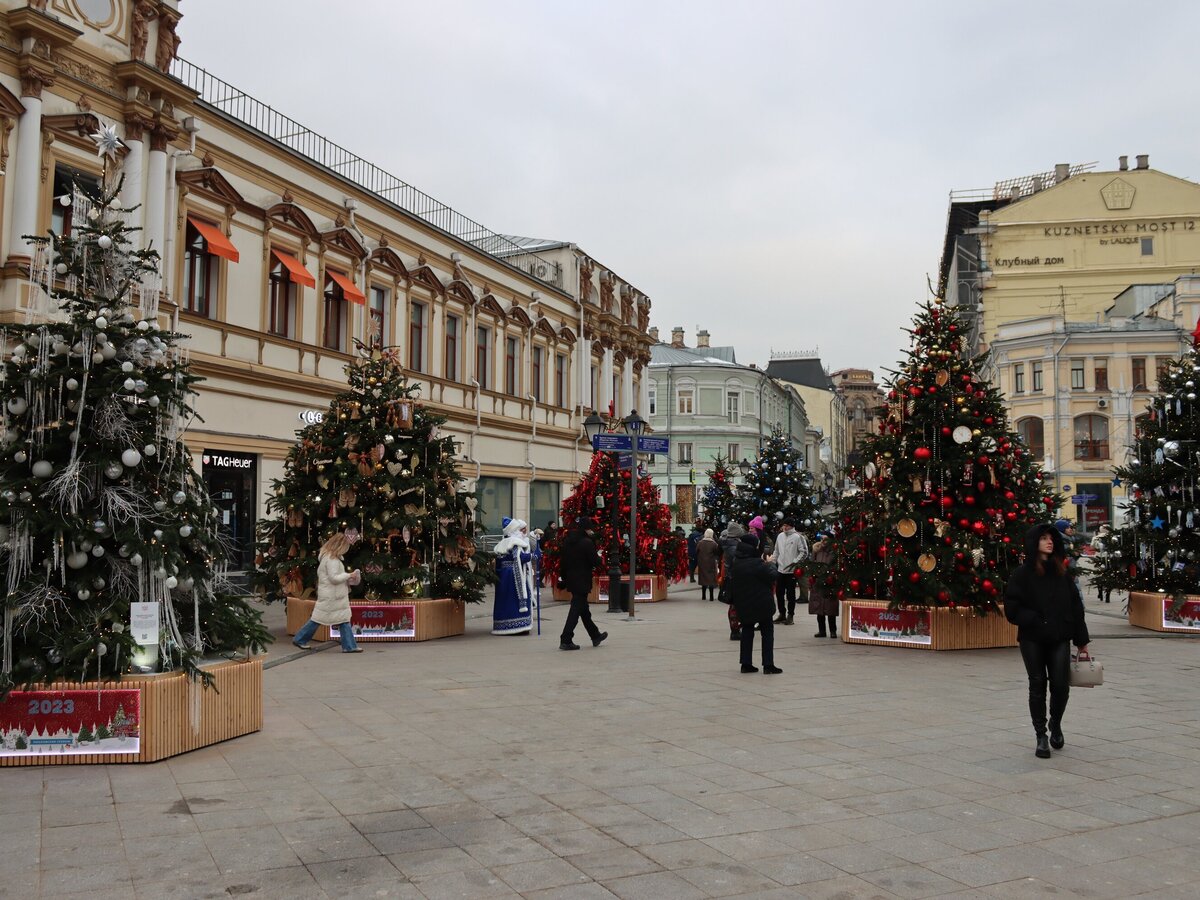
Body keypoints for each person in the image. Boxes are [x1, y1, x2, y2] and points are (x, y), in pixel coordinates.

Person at [1005, 523, 1090, 759]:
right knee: (1037, 684)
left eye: (1051, 538)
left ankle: (1056, 722)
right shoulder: (1021, 574)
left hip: (1059, 636)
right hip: (1032, 637)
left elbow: (1076, 607)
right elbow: (1012, 608)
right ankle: (1040, 735)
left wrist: (1081, 639)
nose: (1049, 542)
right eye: (1043, 538)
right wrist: (1033, 619)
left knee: (1061, 685)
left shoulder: (1062, 574)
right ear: (1035, 543)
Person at [293, 532, 363, 652]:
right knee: (329, 619)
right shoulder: (332, 560)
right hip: (333, 596)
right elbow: (334, 578)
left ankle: (349, 646)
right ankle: (349, 646)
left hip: (331, 595)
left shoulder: (328, 557)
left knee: (331, 619)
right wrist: (348, 575)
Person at [732, 534, 781, 674]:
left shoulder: (737, 561)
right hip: (762, 603)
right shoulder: (757, 563)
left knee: (747, 631)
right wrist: (770, 563)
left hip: (744, 602)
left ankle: (746, 663)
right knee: (767, 632)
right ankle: (768, 664)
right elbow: (773, 576)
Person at [559, 518, 607, 650]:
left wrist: (563, 577)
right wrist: (598, 555)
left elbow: (563, 561)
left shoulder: (568, 541)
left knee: (583, 610)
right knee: (575, 610)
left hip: (571, 578)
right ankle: (566, 638)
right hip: (582, 579)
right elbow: (595, 562)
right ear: (587, 529)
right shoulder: (587, 543)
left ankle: (595, 635)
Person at [492, 518, 535, 635]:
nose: (523, 532)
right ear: (514, 531)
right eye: (520, 530)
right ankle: (520, 625)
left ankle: (503, 624)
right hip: (514, 576)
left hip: (503, 576)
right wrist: (533, 556)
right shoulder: (515, 542)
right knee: (515, 600)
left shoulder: (503, 542)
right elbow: (520, 557)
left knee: (505, 599)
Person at [771, 518, 809, 625]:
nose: (785, 527)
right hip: (780, 569)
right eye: (784, 525)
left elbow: (804, 552)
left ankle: (790, 615)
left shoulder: (798, 537)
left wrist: (795, 562)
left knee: (790, 594)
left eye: (787, 525)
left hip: (791, 571)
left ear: (792, 526)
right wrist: (773, 561)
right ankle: (781, 613)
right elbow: (776, 550)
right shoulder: (780, 536)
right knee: (779, 593)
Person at [718, 522, 746, 640]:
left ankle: (735, 629)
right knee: (736, 605)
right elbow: (738, 563)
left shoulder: (728, 544)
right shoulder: (734, 547)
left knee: (734, 605)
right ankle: (735, 630)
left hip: (731, 577)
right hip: (736, 578)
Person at [807, 533, 837, 638]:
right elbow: (812, 564)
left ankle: (833, 631)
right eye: (822, 538)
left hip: (830, 582)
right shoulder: (816, 550)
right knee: (819, 608)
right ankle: (822, 630)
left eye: (826, 539)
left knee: (830, 609)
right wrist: (811, 581)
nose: (823, 541)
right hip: (818, 582)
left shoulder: (834, 552)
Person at [695, 528, 721, 600]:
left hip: (702, 563)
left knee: (703, 579)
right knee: (711, 580)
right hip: (711, 563)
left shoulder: (700, 543)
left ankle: (703, 596)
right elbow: (717, 552)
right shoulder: (714, 544)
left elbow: (696, 551)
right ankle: (711, 597)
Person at [1090, 524, 1113, 603]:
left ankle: (1100, 592)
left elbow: (1092, 547)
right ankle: (1108, 596)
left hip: (1099, 557)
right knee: (1109, 576)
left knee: (1099, 575)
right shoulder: (1112, 537)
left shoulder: (1096, 537)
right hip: (1109, 557)